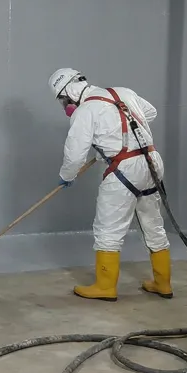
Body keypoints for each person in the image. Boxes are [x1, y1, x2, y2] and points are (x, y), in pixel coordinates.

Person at [48, 67, 172, 302]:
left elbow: (75, 154)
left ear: (69, 92)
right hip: (151, 160)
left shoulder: (84, 111)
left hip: (124, 168)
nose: (65, 105)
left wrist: (68, 176)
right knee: (153, 223)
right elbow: (150, 113)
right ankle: (163, 283)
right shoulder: (123, 92)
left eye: (63, 100)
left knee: (108, 229)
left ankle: (105, 287)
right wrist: (114, 138)